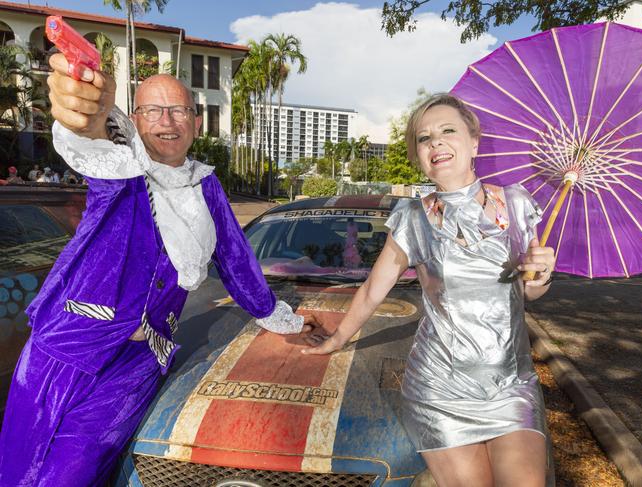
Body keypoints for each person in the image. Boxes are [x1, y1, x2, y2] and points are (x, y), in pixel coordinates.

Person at [0, 53, 318, 487]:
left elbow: (237, 260)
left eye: (178, 110)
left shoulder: (207, 185)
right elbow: (91, 142)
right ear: (136, 118)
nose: (167, 120)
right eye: (153, 110)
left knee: (73, 475)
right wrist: (84, 117)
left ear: (196, 122)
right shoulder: (122, 168)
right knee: (19, 466)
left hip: (138, 361)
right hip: (63, 348)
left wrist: (285, 321)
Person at [304, 93, 556, 487]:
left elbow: (527, 295)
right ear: (419, 155)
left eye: (447, 131)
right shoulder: (414, 217)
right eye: (424, 138)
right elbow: (373, 290)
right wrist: (336, 338)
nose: (436, 142)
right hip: (441, 387)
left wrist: (541, 277)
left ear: (474, 142)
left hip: (510, 383)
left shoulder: (518, 205)